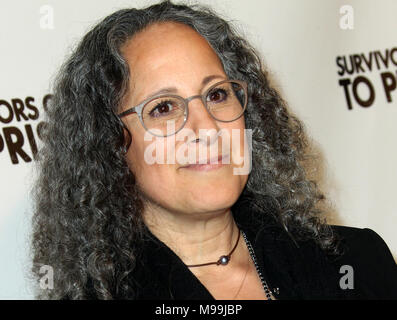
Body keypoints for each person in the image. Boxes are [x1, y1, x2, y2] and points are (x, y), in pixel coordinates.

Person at [30, 0, 397, 300]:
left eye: (217, 94)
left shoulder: (358, 263)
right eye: (163, 108)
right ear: (109, 144)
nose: (206, 127)